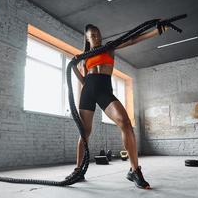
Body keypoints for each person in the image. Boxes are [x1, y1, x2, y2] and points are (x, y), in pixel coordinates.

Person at [66, 23, 169, 189]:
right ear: (87, 39)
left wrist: (156, 31)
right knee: (84, 132)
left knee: (125, 123)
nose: (96, 37)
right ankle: (78, 170)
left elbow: (132, 40)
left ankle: (135, 171)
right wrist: (74, 67)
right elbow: (85, 81)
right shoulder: (85, 57)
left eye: (98, 33)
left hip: (104, 91)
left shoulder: (109, 47)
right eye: (92, 35)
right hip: (88, 92)